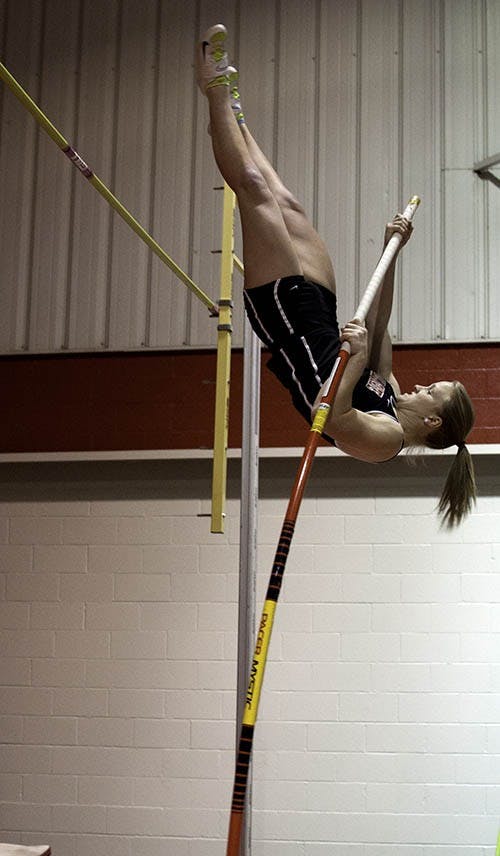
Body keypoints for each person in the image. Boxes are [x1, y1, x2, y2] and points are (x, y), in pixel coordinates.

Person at [196, 24, 476, 527]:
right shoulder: (388, 394)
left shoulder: (387, 440)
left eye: (431, 392)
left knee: (255, 192)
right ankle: (235, 113)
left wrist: (356, 359)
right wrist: (394, 252)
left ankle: (213, 87)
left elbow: (335, 417)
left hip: (289, 327)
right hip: (321, 312)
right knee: (286, 202)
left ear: (432, 421)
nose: (420, 387)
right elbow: (382, 320)